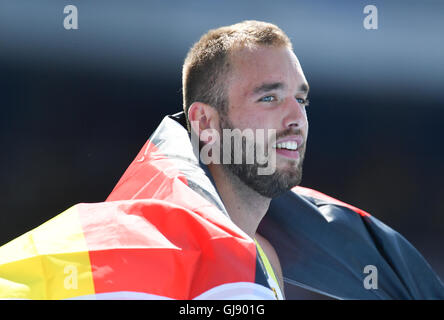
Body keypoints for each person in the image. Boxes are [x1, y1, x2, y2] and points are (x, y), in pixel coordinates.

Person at [0, 20, 443, 300]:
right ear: (205, 123)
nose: (297, 119)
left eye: (302, 99)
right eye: (269, 97)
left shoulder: (263, 257)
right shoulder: (160, 244)